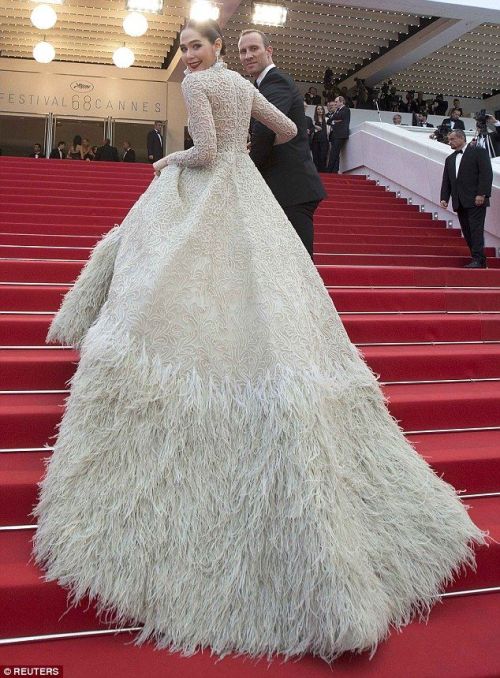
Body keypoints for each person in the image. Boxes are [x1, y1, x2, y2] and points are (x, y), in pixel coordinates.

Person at [33, 19, 485, 664]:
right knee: (265, 296)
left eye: (196, 46)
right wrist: (250, 140)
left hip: (212, 191)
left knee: (164, 275)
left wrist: (168, 159)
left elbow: (210, 152)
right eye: (185, 48)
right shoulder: (244, 87)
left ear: (214, 48)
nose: (190, 56)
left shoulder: (198, 87)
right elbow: (290, 128)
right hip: (253, 201)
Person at [238, 29, 326, 258]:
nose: (247, 55)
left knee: (299, 269)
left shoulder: (275, 80)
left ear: (269, 51)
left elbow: (266, 130)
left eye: (254, 48)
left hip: (291, 190)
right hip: (285, 189)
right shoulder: (260, 86)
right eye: (242, 51)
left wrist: (246, 169)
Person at [440, 129, 493, 268]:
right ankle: (477, 259)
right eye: (449, 139)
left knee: (476, 230)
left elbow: (486, 173)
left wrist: (482, 194)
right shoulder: (449, 159)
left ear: (462, 138)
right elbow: (447, 181)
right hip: (459, 201)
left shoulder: (478, 151)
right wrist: (444, 198)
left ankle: (478, 259)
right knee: (467, 231)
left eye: (452, 139)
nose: (449, 142)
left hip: (476, 199)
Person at [326, 95, 350, 173]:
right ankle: (334, 170)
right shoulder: (338, 110)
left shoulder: (346, 110)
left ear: (341, 102)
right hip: (335, 134)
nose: (335, 103)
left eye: (336, 102)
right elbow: (329, 121)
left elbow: (339, 116)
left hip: (340, 135)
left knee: (334, 153)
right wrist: (335, 120)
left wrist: (334, 118)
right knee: (334, 153)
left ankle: (329, 171)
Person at [311, 104, 328, 171]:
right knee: (315, 157)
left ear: (323, 110)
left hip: (324, 141)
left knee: (323, 157)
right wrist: (315, 126)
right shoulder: (313, 120)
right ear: (316, 111)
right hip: (315, 141)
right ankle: (316, 172)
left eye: (321, 109)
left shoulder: (327, 119)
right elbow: (311, 129)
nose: (320, 110)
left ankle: (323, 173)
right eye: (318, 109)